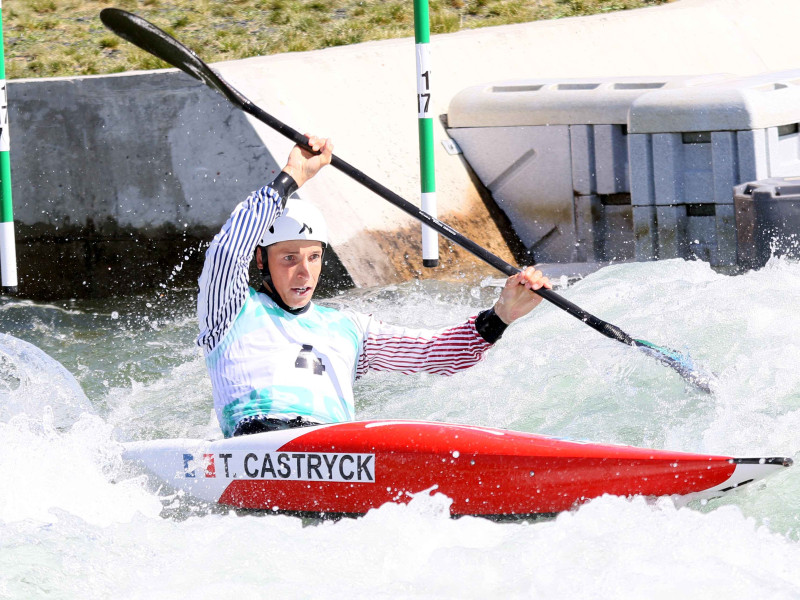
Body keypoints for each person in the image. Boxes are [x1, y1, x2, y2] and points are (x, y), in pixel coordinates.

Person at [197, 135, 552, 438]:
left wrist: (501, 316)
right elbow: (227, 251)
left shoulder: (350, 328)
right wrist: (292, 177)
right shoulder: (229, 312)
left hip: (334, 448)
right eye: (289, 258)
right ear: (261, 260)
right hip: (254, 442)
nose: (304, 273)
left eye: (313, 257)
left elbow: (436, 353)